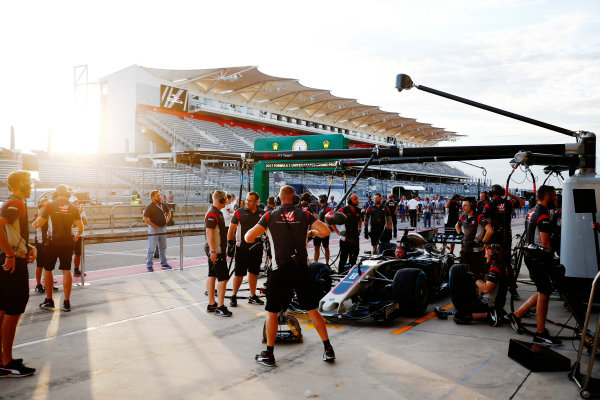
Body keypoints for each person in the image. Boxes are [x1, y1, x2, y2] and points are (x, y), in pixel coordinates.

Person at [245, 185, 335, 367]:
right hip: (302, 268)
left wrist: (265, 233)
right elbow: (325, 232)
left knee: (271, 312)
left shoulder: (269, 215)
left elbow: (248, 237)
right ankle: (328, 349)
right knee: (312, 310)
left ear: (278, 199)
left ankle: (269, 354)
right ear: (294, 199)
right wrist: (310, 232)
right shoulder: (304, 214)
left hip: (280, 270)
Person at [506, 185, 561, 345]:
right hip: (539, 258)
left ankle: (517, 314)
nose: (556, 200)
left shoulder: (531, 211)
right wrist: (553, 262)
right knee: (544, 292)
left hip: (530, 256)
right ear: (548, 197)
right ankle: (540, 332)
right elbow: (545, 244)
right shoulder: (543, 215)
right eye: (555, 197)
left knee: (544, 289)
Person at [0, 171, 37, 377]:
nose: (31, 186)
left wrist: (30, 247)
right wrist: (10, 254)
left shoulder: (12, 202)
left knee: (3, 309)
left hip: (9, 258)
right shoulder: (17, 203)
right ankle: (7, 361)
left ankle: (2, 358)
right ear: (21, 184)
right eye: (29, 182)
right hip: (13, 261)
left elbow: (9, 232)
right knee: (13, 311)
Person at [34, 185, 83, 312]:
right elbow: (80, 227)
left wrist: (34, 223)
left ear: (56, 193)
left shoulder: (50, 205)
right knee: (66, 270)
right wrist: (76, 236)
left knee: (48, 270)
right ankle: (66, 302)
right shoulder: (74, 208)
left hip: (52, 242)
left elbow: (40, 223)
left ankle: (49, 300)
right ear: (67, 194)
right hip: (68, 241)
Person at [483, 184, 525, 297]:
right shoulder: (508, 202)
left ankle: (489, 286)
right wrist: (509, 194)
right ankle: (513, 289)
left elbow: (484, 220)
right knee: (506, 262)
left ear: (491, 194)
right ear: (502, 193)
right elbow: (522, 202)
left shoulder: (489, 205)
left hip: (493, 236)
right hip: (506, 236)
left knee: (491, 259)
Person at [452, 244, 508, 326]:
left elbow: (486, 289)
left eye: (486, 254)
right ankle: (495, 313)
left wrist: (475, 279)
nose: (485, 256)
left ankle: (488, 315)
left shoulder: (494, 270)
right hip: (498, 302)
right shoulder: (502, 266)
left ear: (493, 256)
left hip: (489, 303)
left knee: (459, 315)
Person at [227, 192, 265, 307]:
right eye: (246, 200)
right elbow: (231, 229)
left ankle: (252, 296)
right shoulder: (239, 212)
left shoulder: (263, 214)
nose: (247, 202)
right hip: (242, 248)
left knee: (254, 272)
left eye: (250, 201)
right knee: (239, 273)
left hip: (257, 248)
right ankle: (233, 296)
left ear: (257, 202)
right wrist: (230, 244)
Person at [205, 190, 232, 317]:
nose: (227, 201)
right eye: (225, 198)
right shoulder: (213, 214)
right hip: (216, 251)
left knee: (212, 275)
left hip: (216, 250)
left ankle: (211, 303)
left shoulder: (217, 213)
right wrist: (213, 250)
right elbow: (209, 232)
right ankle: (220, 306)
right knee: (223, 278)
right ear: (220, 199)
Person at [455, 197, 494, 278]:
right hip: (464, 249)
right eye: (462, 205)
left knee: (477, 274)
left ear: (472, 206)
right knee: (464, 273)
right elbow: (457, 226)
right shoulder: (463, 216)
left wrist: (482, 242)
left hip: (476, 251)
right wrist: (461, 235)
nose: (462, 207)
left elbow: (490, 231)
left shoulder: (480, 217)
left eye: (465, 205)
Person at [142, 190, 172, 272]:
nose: (160, 197)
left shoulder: (163, 205)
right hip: (154, 229)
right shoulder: (150, 207)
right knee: (151, 248)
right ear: (153, 197)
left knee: (163, 247)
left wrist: (166, 221)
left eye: (160, 195)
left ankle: (164, 263)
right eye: (158, 196)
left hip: (163, 228)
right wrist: (153, 225)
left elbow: (168, 213)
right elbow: (145, 218)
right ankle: (149, 265)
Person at [332, 193, 362, 272]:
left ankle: (352, 274)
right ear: (349, 201)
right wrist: (338, 232)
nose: (357, 200)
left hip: (355, 239)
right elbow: (331, 220)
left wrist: (359, 228)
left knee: (354, 259)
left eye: (357, 198)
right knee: (343, 259)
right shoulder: (343, 210)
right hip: (345, 240)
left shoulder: (358, 210)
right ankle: (341, 274)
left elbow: (360, 220)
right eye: (355, 199)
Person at [33, 199, 49, 294]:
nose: (46, 207)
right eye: (44, 205)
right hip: (40, 243)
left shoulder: (50, 216)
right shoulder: (36, 216)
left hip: (49, 243)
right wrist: (41, 215)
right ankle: (38, 284)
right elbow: (35, 226)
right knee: (39, 265)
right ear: (40, 207)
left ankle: (48, 284)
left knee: (49, 265)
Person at [313, 195, 333, 265]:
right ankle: (315, 263)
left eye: (318, 199)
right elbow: (319, 218)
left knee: (326, 248)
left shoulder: (328, 209)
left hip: (324, 232)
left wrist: (327, 227)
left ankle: (327, 263)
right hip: (318, 231)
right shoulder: (321, 208)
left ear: (321, 200)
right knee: (316, 247)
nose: (318, 201)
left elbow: (330, 219)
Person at [73, 203, 88, 277]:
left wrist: (81, 212)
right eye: (74, 202)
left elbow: (85, 222)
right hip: (73, 234)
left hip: (80, 235)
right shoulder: (71, 210)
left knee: (78, 253)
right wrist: (79, 214)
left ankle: (76, 269)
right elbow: (73, 224)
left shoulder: (81, 211)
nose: (76, 203)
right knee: (72, 254)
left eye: (76, 201)